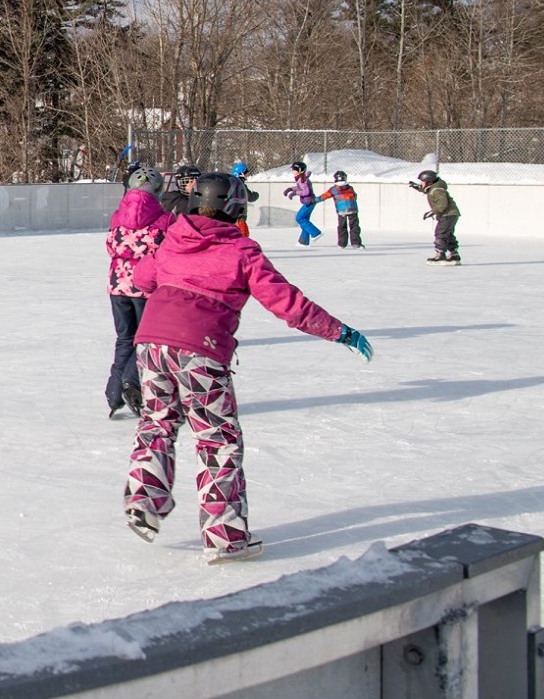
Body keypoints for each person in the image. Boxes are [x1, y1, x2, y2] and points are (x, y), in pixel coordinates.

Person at [124, 170, 373, 563]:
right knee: (217, 439)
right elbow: (287, 302)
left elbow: (141, 278)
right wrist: (340, 332)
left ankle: (144, 500)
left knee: (157, 423)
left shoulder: (174, 237)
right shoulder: (242, 251)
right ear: (236, 208)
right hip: (200, 349)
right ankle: (224, 536)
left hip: (151, 342)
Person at [105, 173, 172, 420]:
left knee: (125, 339)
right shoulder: (165, 219)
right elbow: (170, 251)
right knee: (147, 339)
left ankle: (113, 393)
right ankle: (131, 381)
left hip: (118, 286)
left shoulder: (117, 216)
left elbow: (110, 247)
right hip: (148, 286)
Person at [412, 168, 461, 265]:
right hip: (451, 214)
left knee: (440, 234)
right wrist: (418, 188)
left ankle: (440, 254)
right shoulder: (435, 187)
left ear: (429, 182)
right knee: (448, 234)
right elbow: (428, 190)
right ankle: (454, 254)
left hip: (447, 215)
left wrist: (432, 212)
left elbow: (442, 205)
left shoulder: (437, 190)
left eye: (422, 181)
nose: (420, 183)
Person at [318, 170, 364, 248]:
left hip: (341, 211)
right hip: (352, 209)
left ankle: (342, 244)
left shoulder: (333, 189)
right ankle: (356, 243)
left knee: (342, 226)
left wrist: (314, 200)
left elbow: (324, 196)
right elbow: (355, 196)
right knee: (354, 226)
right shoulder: (350, 188)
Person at [283, 161, 319, 244]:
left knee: (299, 218)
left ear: (299, 170)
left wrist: (295, 193)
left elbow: (306, 191)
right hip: (309, 202)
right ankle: (304, 241)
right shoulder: (301, 179)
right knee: (305, 221)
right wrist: (290, 189)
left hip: (309, 202)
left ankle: (315, 233)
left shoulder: (303, 179)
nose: (292, 171)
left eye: (294, 169)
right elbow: (300, 187)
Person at [229, 161, 253, 237]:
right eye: (245, 173)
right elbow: (251, 197)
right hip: (239, 218)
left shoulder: (231, 184)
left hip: (231, 218)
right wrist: (256, 195)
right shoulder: (241, 185)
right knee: (242, 236)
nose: (246, 175)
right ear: (240, 174)